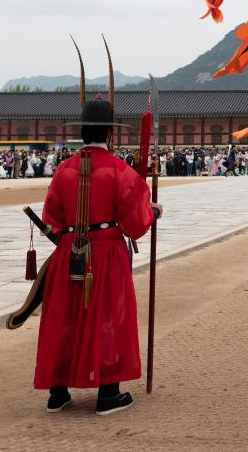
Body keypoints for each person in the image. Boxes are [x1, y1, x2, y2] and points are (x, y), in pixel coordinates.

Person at [33, 95, 161, 415]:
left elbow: (51, 219)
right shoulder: (119, 171)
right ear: (109, 133)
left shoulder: (64, 169)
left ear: (83, 131)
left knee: (64, 316)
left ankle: (57, 391)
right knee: (108, 315)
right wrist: (152, 212)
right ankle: (108, 392)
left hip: (69, 251)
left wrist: (70, 241)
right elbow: (134, 224)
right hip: (107, 251)